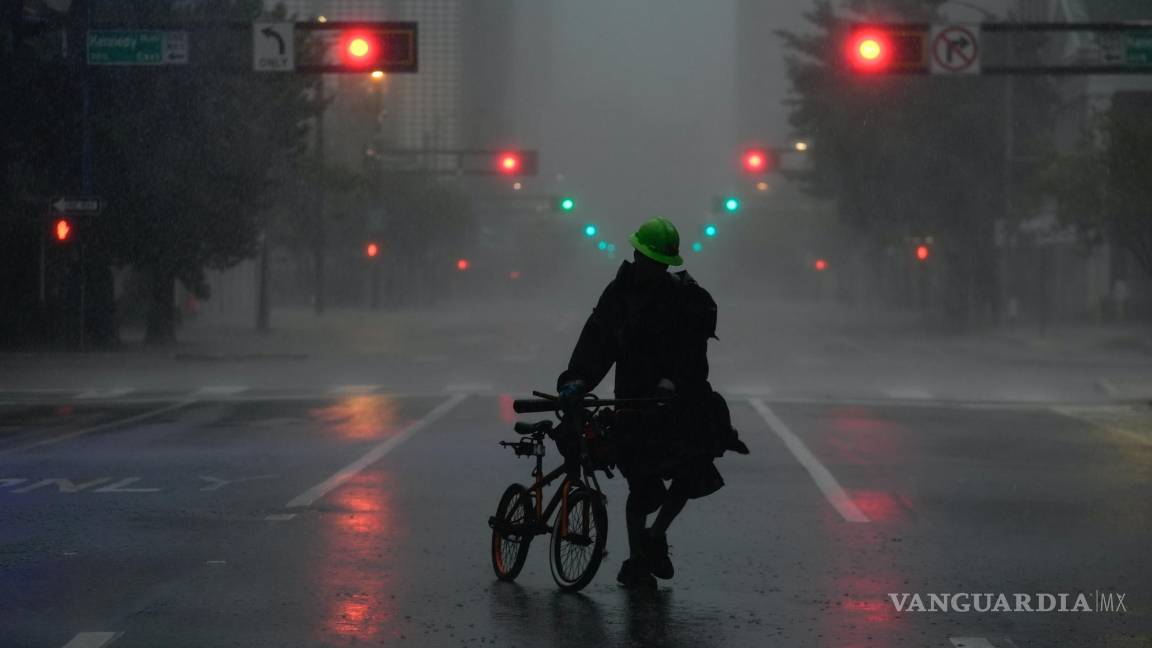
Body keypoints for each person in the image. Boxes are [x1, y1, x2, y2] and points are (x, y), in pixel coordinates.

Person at [556, 217, 748, 590]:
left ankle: (656, 535)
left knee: (692, 468)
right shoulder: (619, 295)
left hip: (676, 404)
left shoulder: (685, 299)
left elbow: (693, 353)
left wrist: (673, 382)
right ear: (637, 256)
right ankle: (636, 561)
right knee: (642, 486)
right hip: (633, 403)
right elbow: (598, 340)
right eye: (650, 260)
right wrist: (576, 379)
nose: (654, 268)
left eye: (661, 263)